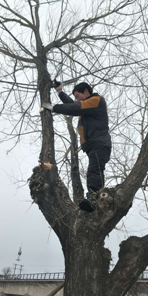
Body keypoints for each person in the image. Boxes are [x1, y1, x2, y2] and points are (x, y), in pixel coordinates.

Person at [42, 81, 111, 212]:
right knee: (95, 171)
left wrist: (54, 108)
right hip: (94, 144)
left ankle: (94, 199)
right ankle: (95, 199)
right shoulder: (87, 105)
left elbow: (75, 107)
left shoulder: (96, 100)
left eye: (78, 96)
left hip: (99, 142)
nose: (77, 100)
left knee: (94, 171)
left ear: (86, 92)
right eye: (75, 98)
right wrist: (60, 92)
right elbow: (72, 104)